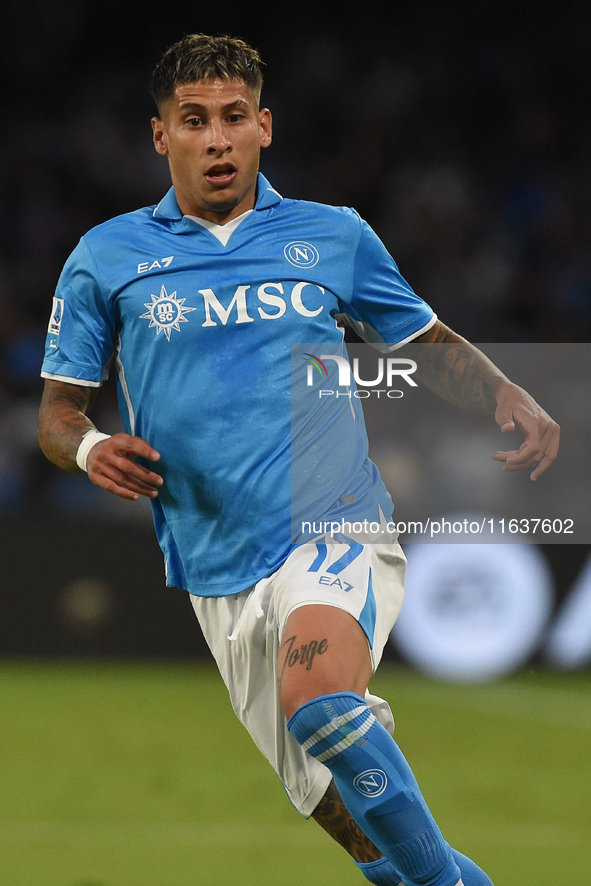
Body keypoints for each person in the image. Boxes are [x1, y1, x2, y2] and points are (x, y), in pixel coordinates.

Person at [38, 34, 559, 886]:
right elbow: (58, 413)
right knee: (366, 840)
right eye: (194, 120)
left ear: (264, 127)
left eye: (233, 118)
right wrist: (91, 446)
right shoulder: (106, 257)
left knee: (321, 703)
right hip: (216, 566)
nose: (216, 138)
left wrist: (506, 390)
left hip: (334, 526)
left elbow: (423, 340)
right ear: (160, 135)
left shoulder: (333, 236)